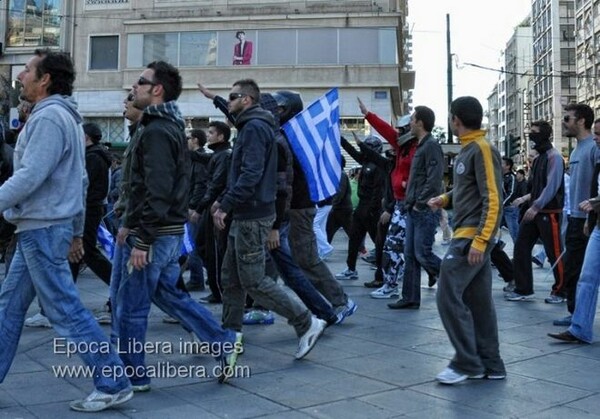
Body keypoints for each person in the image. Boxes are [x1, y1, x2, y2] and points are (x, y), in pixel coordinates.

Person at [0, 48, 133, 412]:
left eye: (27, 70)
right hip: (42, 227)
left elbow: (30, 175)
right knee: (9, 308)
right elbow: (80, 180)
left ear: (44, 80)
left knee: (64, 310)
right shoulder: (66, 118)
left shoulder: (48, 119)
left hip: (42, 228)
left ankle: (112, 380)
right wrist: (75, 230)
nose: (20, 76)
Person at [115, 61, 242, 389]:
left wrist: (141, 239)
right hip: (166, 231)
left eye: (141, 83)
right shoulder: (165, 125)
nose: (134, 87)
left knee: (131, 307)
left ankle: (132, 376)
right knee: (168, 295)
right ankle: (223, 341)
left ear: (156, 90)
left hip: (156, 235)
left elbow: (157, 189)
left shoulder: (157, 130)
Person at [214, 79, 327, 359]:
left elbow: (251, 174)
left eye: (233, 96)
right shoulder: (253, 126)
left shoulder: (254, 128)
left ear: (247, 100)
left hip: (252, 216)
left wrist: (226, 204)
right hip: (246, 214)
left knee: (254, 281)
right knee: (231, 278)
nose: (229, 101)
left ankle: (306, 321)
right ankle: (231, 335)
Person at [429, 96, 505, 384]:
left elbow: (494, 198)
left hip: (469, 240)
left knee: (447, 296)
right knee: (480, 303)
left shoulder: (482, 149)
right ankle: (491, 364)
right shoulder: (468, 150)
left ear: (455, 120)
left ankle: (467, 363)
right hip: (470, 238)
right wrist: (445, 199)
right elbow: (471, 191)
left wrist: (481, 241)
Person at [548, 118, 600, 342]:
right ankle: (580, 329)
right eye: (596, 133)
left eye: (599, 133)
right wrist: (591, 217)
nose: (596, 137)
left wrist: (597, 202)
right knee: (586, 277)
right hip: (597, 226)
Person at [389, 106, 444, 309]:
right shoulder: (421, 145)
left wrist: (420, 203)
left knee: (423, 253)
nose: (409, 123)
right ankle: (410, 298)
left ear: (420, 122)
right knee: (410, 254)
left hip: (423, 210)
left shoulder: (431, 146)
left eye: (412, 119)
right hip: (413, 208)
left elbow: (434, 179)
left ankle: (458, 281)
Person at [507, 120, 565, 302]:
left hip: (549, 212)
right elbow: (536, 187)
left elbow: (552, 186)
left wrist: (536, 206)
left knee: (554, 252)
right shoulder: (539, 158)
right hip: (535, 211)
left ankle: (562, 291)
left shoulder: (553, 157)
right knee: (521, 247)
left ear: (543, 134)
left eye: (534, 131)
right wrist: (527, 201)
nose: (531, 134)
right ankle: (524, 288)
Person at [553, 105, 597, 310]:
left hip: (588, 220)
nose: (564, 122)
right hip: (574, 217)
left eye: (567, 118)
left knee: (582, 272)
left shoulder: (594, 147)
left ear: (581, 121)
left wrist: (591, 216)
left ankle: (578, 318)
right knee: (572, 270)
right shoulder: (576, 148)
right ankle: (575, 315)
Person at [192, 121, 232, 304]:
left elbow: (216, 184)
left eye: (211, 133)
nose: (208, 135)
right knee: (203, 245)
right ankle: (217, 288)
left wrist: (200, 209)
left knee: (213, 250)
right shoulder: (218, 155)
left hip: (215, 208)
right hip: (211, 206)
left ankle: (220, 291)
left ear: (221, 136)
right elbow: (204, 159)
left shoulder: (224, 156)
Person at [335, 135, 385, 280]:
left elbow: (378, 191)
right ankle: (351, 269)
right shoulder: (366, 161)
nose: (365, 150)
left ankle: (383, 272)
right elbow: (352, 151)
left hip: (371, 209)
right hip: (362, 207)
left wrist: (372, 210)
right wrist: (340, 138)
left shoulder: (379, 165)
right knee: (354, 239)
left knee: (378, 242)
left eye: (368, 147)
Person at [184, 128, 208, 291]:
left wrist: (193, 207)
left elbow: (200, 185)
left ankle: (196, 279)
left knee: (193, 245)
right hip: (192, 206)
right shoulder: (194, 159)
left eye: (188, 138)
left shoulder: (199, 160)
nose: (186, 141)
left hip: (195, 209)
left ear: (196, 140)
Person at [501, 156, 520, 243]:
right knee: (494, 231)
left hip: (509, 208)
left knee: (514, 232)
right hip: (501, 208)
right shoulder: (501, 176)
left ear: (508, 166)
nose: (500, 165)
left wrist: (503, 203)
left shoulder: (511, 177)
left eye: (502, 163)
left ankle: (520, 253)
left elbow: (511, 192)